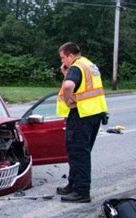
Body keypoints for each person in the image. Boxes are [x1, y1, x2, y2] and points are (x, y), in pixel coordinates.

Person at [55, 42, 108, 203]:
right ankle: (73, 184)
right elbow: (82, 85)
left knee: (79, 154)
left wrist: (67, 99)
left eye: (63, 58)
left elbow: (70, 85)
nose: (63, 62)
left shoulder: (76, 67)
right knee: (79, 153)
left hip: (81, 115)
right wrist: (66, 74)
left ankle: (82, 192)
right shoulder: (89, 64)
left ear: (71, 55)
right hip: (95, 113)